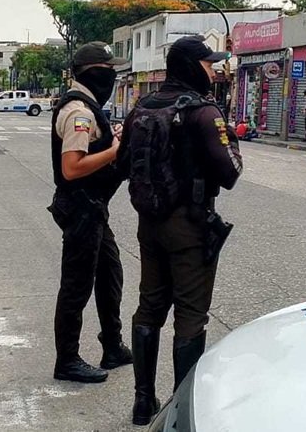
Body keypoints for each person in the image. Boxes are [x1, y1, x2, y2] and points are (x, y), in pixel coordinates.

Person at [122, 36, 243, 425]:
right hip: (190, 225)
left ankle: (143, 401)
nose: (214, 70)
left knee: (149, 306)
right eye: (209, 63)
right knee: (191, 315)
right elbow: (230, 173)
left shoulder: (143, 106)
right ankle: (181, 407)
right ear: (193, 66)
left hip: (150, 222)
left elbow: (125, 162)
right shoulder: (204, 112)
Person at [48, 42, 132, 384]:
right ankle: (66, 360)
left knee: (110, 274)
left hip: (94, 207)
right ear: (94, 72)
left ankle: (112, 344)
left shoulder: (90, 107)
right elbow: (72, 168)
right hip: (81, 207)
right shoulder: (79, 111)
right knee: (76, 286)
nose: (114, 75)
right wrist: (116, 150)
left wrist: (111, 142)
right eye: (109, 70)